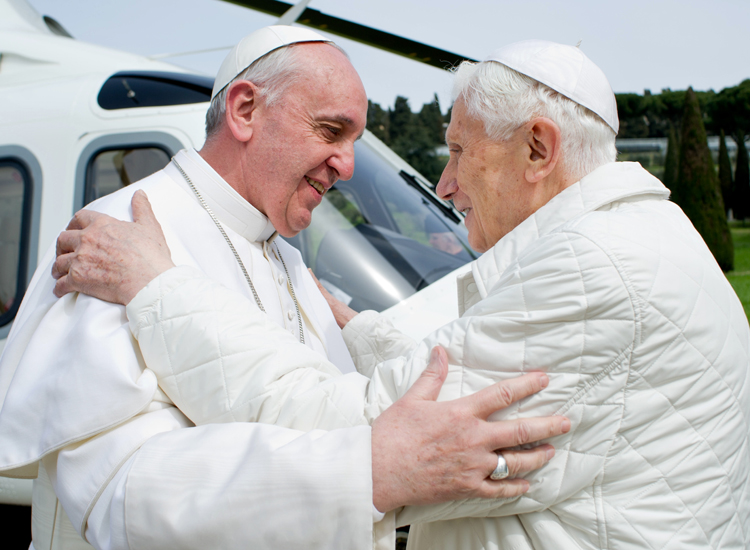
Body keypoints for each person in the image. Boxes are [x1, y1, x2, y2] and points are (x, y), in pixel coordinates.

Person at [52, 39, 750, 549]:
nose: (444, 185)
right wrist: (352, 327)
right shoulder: (643, 237)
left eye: (457, 150)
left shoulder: (599, 271)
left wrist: (158, 288)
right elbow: (449, 368)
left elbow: (359, 429)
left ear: (538, 151)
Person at [0, 27, 569, 550]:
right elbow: (118, 496)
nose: (346, 166)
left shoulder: (286, 260)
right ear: (245, 109)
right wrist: (365, 472)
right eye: (330, 131)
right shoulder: (117, 236)